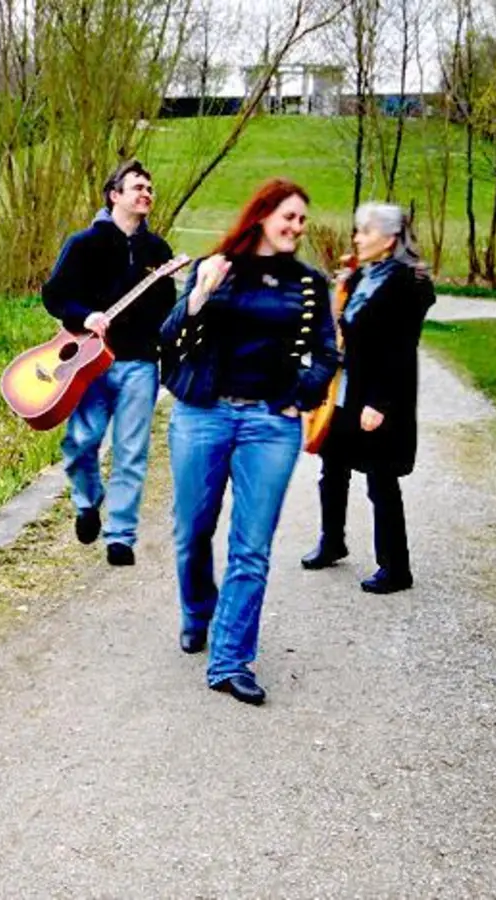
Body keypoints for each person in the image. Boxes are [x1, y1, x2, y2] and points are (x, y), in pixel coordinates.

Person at [159, 178, 339, 706]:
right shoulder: (215, 268)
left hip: (269, 424)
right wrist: (199, 294)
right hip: (203, 415)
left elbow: (329, 354)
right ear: (261, 215)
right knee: (192, 529)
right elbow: (169, 337)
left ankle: (230, 659)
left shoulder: (309, 284)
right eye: (289, 216)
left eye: (303, 220)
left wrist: (300, 395)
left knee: (251, 545)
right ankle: (197, 612)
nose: (296, 227)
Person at [40, 160, 176, 567]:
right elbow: (55, 296)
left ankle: (120, 536)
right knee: (81, 443)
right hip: (89, 365)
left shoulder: (159, 252)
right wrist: (85, 317)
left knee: (131, 451)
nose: (146, 192)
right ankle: (86, 501)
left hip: (140, 365)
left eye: (150, 187)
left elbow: (168, 309)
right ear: (114, 195)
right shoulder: (84, 244)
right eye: (137, 186)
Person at [301, 203, 436, 594]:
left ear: (390, 238)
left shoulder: (408, 284)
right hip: (346, 387)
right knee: (333, 468)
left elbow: (399, 348)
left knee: (381, 479)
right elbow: (341, 329)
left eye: (365, 231)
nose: (357, 238)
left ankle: (395, 568)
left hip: (380, 395)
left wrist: (378, 402)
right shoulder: (362, 274)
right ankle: (332, 541)